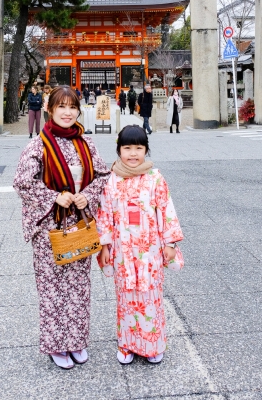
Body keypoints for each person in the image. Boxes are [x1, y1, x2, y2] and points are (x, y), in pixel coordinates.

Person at [11, 85, 110, 370]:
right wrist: (55, 196)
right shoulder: (38, 145)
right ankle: (56, 344)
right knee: (52, 287)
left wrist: (86, 195)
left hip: (79, 222)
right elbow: (23, 182)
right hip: (49, 227)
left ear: (79, 110)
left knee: (79, 285)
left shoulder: (86, 143)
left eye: (72, 107)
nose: (68, 112)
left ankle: (76, 340)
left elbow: (102, 176)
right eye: (61, 106)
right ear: (50, 110)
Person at [96, 125, 184, 364]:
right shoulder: (111, 180)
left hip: (150, 248)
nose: (133, 154)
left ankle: (153, 345)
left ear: (146, 149)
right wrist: (104, 246)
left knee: (151, 295)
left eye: (138, 148)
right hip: (122, 248)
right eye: (127, 148)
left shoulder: (155, 178)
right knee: (125, 297)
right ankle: (126, 344)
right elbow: (104, 214)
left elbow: (166, 209)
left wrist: (170, 242)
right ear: (118, 150)